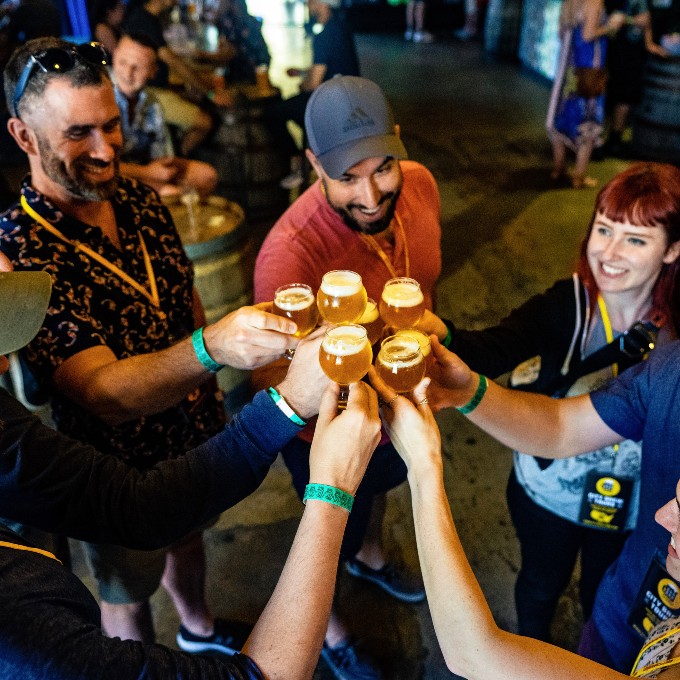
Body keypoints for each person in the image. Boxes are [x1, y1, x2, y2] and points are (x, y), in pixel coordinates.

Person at [0, 36, 316, 655]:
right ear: (24, 137)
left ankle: (197, 629)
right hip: (114, 475)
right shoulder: (22, 252)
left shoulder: (140, 200)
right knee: (129, 594)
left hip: (194, 436)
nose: (106, 150)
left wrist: (211, 372)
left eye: (113, 126)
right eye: (78, 134)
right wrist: (213, 348)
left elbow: (184, 298)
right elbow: (103, 394)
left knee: (191, 536)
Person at [0, 250, 383, 680]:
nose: (4, 362)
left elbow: (136, 507)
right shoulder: (18, 629)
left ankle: (197, 627)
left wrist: (286, 405)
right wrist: (331, 488)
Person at [424, 162, 680, 643]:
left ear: (673, 249)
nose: (609, 252)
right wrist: (448, 339)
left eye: (636, 239)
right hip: (548, 491)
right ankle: (532, 651)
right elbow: (499, 346)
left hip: (630, 507)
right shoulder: (570, 305)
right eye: (604, 229)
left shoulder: (674, 338)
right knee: (540, 587)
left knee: (600, 595)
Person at [254, 74, 441, 680]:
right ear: (313, 164)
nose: (370, 195)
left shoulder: (423, 188)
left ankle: (371, 556)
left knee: (380, 496)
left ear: (399, 144)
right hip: (329, 435)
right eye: (346, 178)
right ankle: (332, 632)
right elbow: (278, 391)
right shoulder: (289, 256)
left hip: (402, 409)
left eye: (382, 169)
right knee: (327, 533)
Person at [369, 369, 680, 679]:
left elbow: (473, 654)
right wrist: (469, 391)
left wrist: (423, 469)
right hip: (618, 610)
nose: (661, 517)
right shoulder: (673, 369)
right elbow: (561, 427)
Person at [263, 0, 360, 190]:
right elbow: (333, 67)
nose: (307, 4)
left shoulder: (324, 35)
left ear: (321, 3)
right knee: (299, 110)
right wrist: (301, 72)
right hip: (350, 99)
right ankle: (316, 158)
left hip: (331, 105)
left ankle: (298, 163)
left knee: (273, 113)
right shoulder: (340, 28)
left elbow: (313, 83)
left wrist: (303, 83)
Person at [113, 32, 219, 198]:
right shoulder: (101, 97)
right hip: (111, 177)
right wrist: (148, 173)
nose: (128, 73)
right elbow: (97, 165)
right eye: (122, 62)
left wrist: (161, 170)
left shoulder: (151, 101)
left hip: (145, 168)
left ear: (153, 72)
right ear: (114, 57)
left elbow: (160, 154)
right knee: (170, 194)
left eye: (138, 67)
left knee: (207, 176)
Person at [123, 0, 231, 156]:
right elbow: (171, 60)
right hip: (150, 94)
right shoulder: (143, 20)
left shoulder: (148, 18)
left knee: (193, 100)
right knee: (204, 122)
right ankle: (177, 163)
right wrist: (210, 92)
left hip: (154, 91)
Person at [546, 0, 624, 188]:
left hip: (569, 68)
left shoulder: (569, 2)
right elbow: (588, 34)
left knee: (563, 116)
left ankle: (558, 169)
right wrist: (611, 26)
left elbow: (561, 33)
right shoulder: (594, 1)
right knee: (588, 122)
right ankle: (579, 177)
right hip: (589, 67)